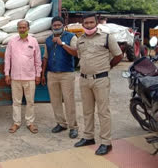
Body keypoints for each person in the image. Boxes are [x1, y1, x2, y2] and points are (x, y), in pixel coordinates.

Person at [74, 13, 123, 155]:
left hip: (101, 80)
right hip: (84, 79)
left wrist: (108, 67)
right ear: (83, 25)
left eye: (91, 22)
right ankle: (88, 137)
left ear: (96, 23)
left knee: (103, 112)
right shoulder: (80, 40)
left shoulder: (107, 37)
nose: (89, 25)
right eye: (86, 23)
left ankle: (106, 142)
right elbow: (80, 58)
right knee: (87, 111)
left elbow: (118, 56)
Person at [41, 16, 79, 139]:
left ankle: (73, 127)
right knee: (55, 101)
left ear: (63, 25)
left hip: (66, 74)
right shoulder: (48, 40)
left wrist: (61, 44)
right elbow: (45, 57)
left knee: (69, 101)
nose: (56, 27)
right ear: (51, 27)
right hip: (52, 74)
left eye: (58, 25)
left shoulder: (71, 37)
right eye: (54, 25)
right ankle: (61, 123)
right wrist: (43, 74)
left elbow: (75, 52)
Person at [4, 20, 42, 134]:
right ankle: (16, 122)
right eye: (20, 28)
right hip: (15, 77)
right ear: (17, 29)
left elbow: (38, 60)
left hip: (30, 77)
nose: (22, 30)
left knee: (30, 102)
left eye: (24, 27)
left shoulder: (34, 41)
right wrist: (7, 73)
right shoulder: (12, 41)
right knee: (16, 102)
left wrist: (38, 74)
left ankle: (30, 123)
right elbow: (7, 58)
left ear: (28, 28)